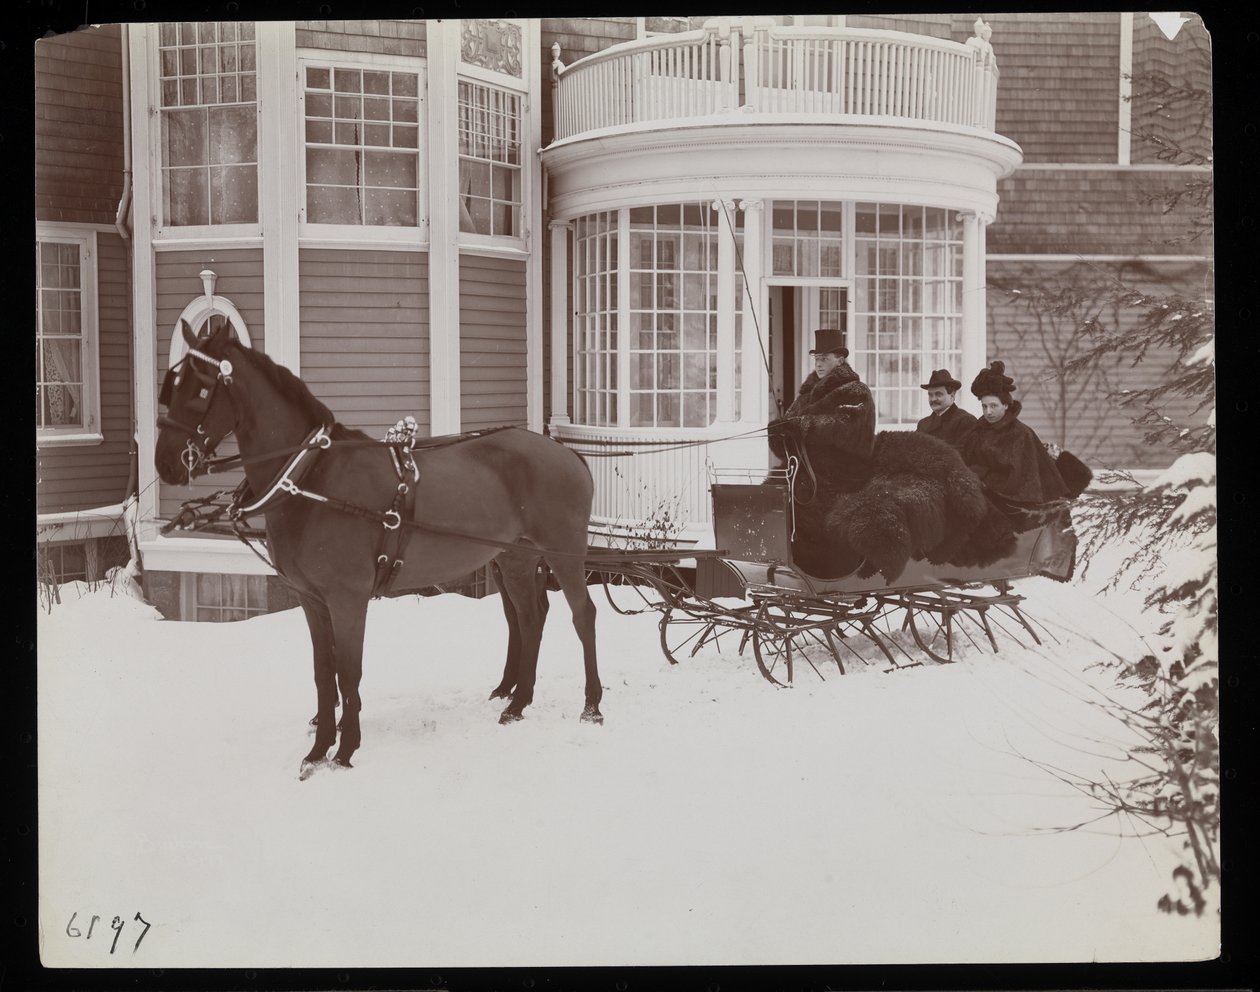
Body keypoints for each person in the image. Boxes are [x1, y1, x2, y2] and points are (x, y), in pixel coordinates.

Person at [960, 361, 1074, 503]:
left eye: (993, 406)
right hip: (977, 494)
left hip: (1010, 503)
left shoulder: (1020, 434)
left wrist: (984, 478)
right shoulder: (977, 430)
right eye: (984, 406)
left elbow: (1021, 479)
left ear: (1006, 405)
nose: (988, 412)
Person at [915, 368, 978, 448]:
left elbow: (962, 456)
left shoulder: (965, 421)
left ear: (952, 396)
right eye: (930, 395)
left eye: (938, 394)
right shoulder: (923, 424)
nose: (933, 399)